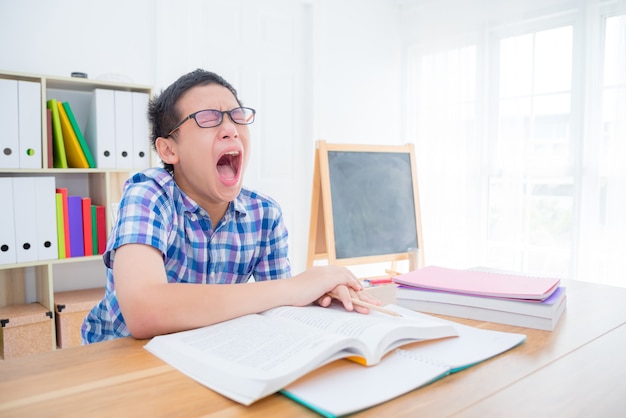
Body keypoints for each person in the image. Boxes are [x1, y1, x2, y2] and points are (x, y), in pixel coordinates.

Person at [82, 69, 380, 344]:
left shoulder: (265, 215)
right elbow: (145, 311)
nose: (230, 129)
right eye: (208, 119)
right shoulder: (148, 194)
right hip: (119, 359)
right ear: (169, 149)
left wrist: (317, 294)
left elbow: (278, 307)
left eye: (237, 116)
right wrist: (294, 288)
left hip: (207, 352)